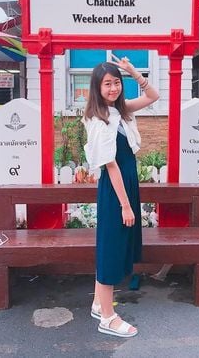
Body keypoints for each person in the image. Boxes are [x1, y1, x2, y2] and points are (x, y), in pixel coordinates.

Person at [82, 56, 159, 338]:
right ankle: (108, 317)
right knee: (110, 250)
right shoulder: (99, 119)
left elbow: (153, 95)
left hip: (126, 184)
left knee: (114, 246)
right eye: (107, 84)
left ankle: (97, 303)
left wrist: (133, 72)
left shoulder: (118, 111)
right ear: (97, 87)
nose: (113, 88)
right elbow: (110, 164)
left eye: (116, 83)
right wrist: (126, 205)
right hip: (116, 190)